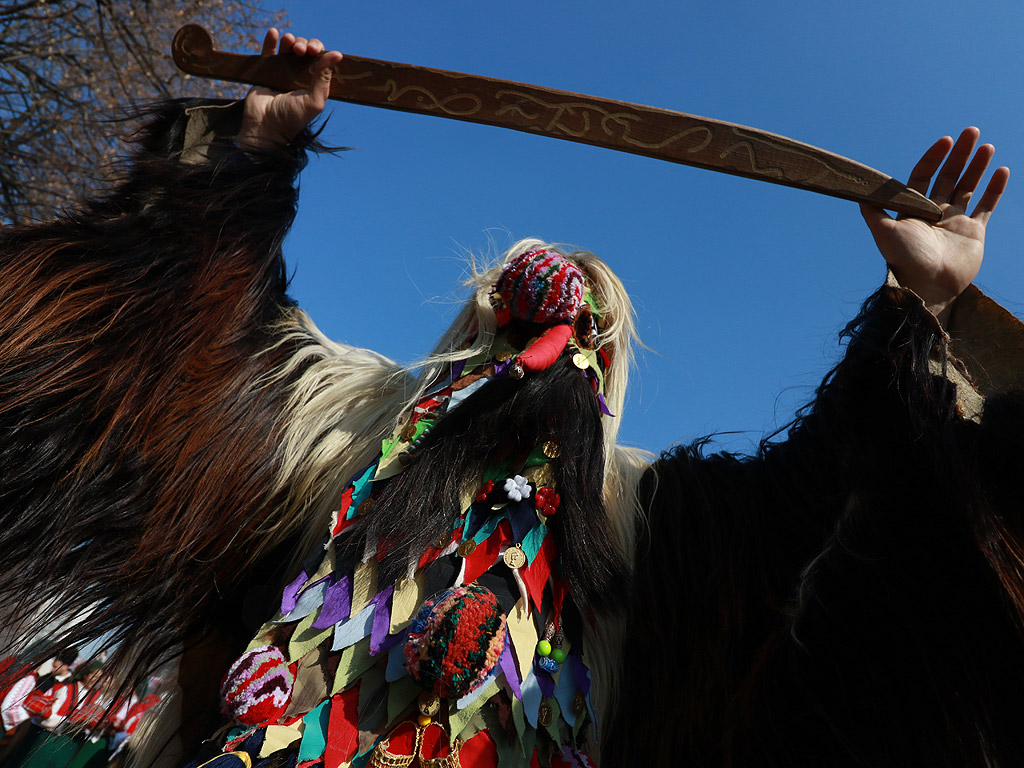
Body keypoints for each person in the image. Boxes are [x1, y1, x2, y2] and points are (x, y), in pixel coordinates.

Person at [0, 27, 1021, 768]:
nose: (555, 332)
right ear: (474, 320)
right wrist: (254, 152)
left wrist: (917, 310)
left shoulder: (654, 527)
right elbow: (172, 339)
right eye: (517, 306)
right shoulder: (338, 419)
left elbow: (848, 510)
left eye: (590, 331)